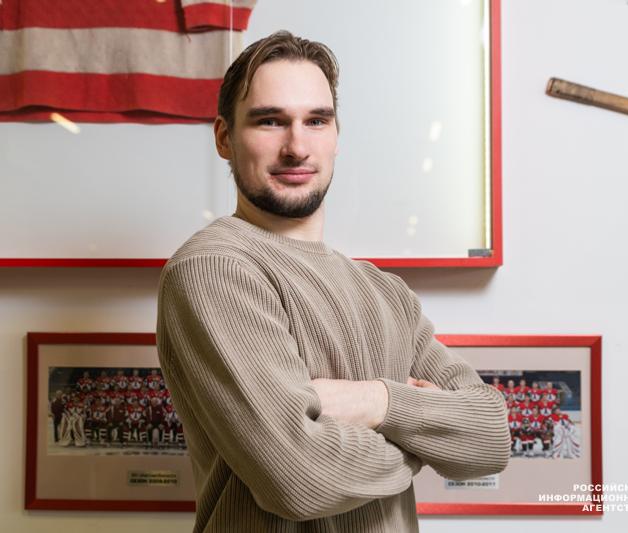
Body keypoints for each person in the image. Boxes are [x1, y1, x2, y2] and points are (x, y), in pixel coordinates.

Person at [156, 30, 509, 533]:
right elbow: (299, 478)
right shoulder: (215, 269)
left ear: (336, 136)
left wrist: (378, 403)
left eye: (316, 121)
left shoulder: (386, 292)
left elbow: (491, 438)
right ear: (224, 138)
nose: (297, 147)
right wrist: (425, 438)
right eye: (270, 121)